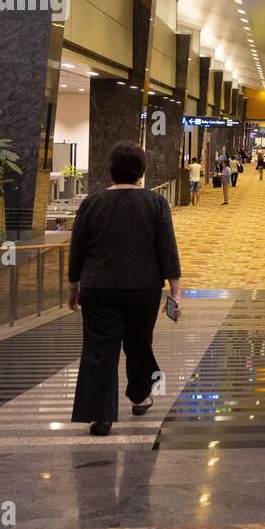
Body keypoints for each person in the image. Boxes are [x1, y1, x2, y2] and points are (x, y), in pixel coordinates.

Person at [68, 142, 181, 436]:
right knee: (138, 342)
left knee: (99, 350)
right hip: (142, 288)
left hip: (98, 287)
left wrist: (73, 286)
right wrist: (175, 291)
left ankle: (100, 416)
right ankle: (140, 395)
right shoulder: (155, 203)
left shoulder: (92, 203)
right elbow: (167, 248)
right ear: (141, 171)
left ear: (111, 169)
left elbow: (77, 249)